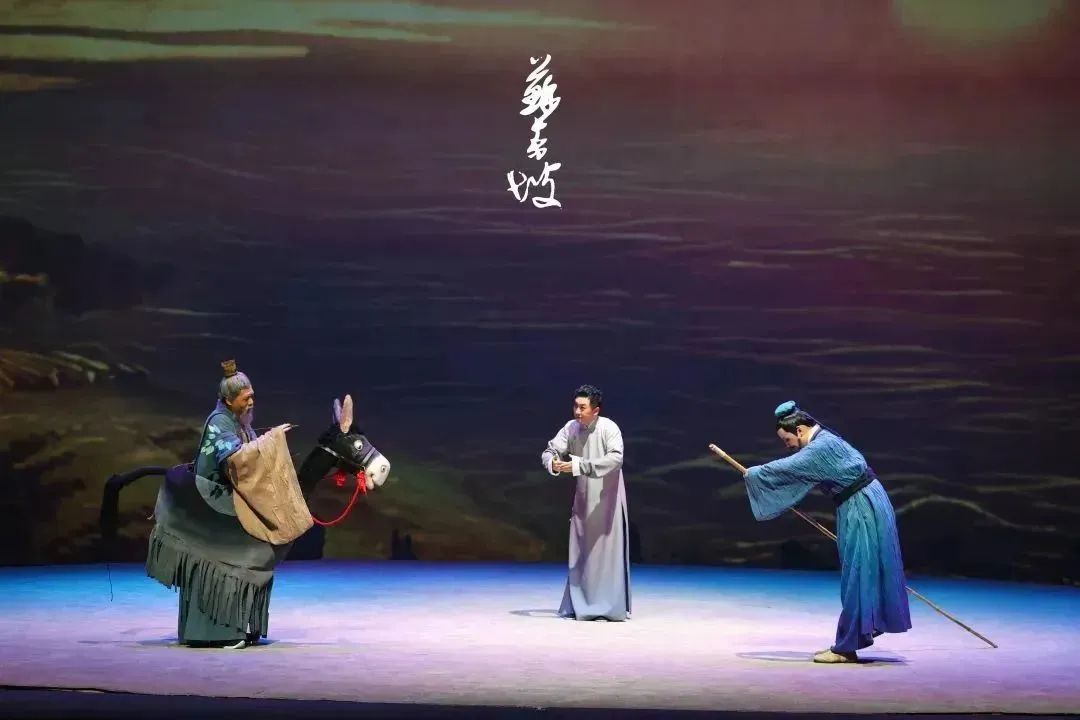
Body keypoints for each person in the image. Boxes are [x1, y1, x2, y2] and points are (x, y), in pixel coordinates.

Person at [742, 400, 912, 663]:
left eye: (787, 440)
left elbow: (787, 468)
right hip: (865, 502)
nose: (787, 446)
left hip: (861, 507)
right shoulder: (825, 440)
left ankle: (846, 648)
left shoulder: (819, 448)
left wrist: (753, 474)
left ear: (800, 430)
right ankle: (857, 634)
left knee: (858, 574)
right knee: (863, 571)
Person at [541, 384, 630, 621]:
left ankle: (608, 607)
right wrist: (553, 463)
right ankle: (580, 604)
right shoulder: (571, 428)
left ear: (596, 410)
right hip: (583, 498)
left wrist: (580, 465)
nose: (577, 412)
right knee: (581, 552)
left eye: (583, 407)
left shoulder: (609, 428)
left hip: (607, 498)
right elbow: (550, 450)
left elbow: (616, 459)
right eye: (576, 406)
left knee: (606, 554)